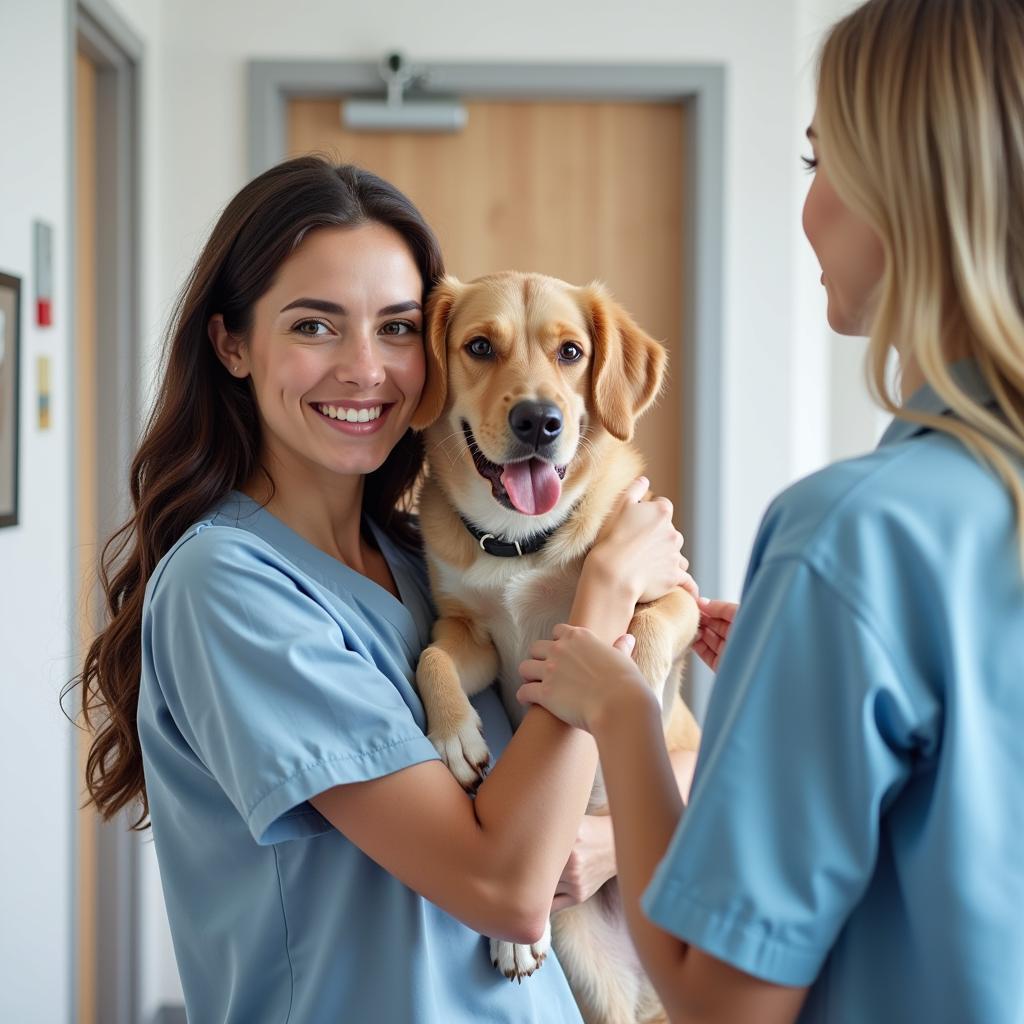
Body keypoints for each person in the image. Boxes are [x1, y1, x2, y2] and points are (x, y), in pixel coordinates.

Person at [68, 156, 696, 1023]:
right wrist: (608, 599)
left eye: (397, 328)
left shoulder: (416, 560)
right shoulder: (231, 589)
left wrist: (599, 836)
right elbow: (508, 886)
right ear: (233, 344)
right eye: (316, 327)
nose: (367, 370)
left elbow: (669, 770)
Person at [517, 1, 1024, 1021]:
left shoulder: (850, 537)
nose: (809, 209)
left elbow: (721, 1007)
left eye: (816, 162)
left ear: (905, 191)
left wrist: (621, 710)